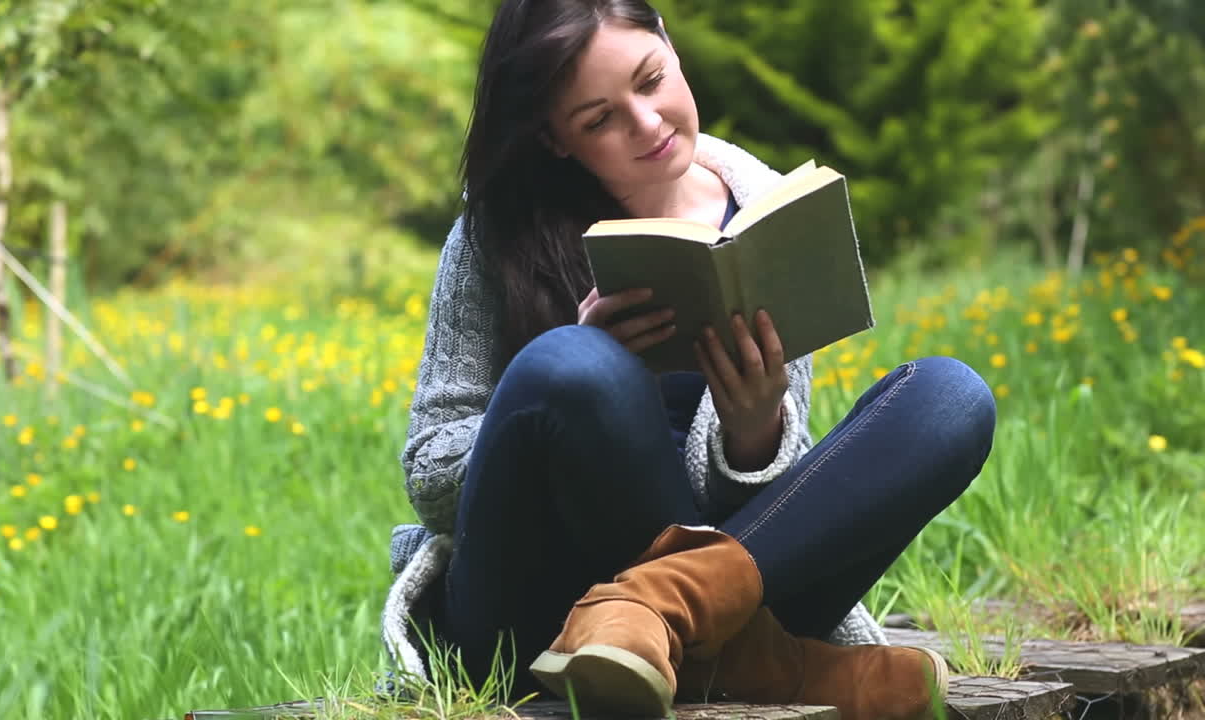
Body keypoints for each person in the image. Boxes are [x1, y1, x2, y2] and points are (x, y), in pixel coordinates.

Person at [380, 1, 997, 718]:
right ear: (554, 138)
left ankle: (665, 617)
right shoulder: (497, 235)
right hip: (532, 613)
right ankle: (757, 661)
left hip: (735, 588)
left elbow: (774, 506)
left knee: (952, 397)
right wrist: (570, 400)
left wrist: (755, 433)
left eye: (650, 80)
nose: (647, 124)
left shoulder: (763, 209)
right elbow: (431, 470)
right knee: (572, 367)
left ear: (669, 42)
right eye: (598, 120)